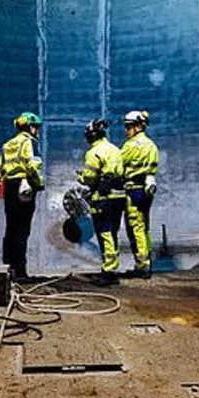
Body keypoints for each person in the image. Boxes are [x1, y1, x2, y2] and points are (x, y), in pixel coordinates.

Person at [76, 119, 126, 285]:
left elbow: (90, 177)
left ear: (91, 135)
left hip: (103, 198)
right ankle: (112, 266)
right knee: (113, 232)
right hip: (119, 197)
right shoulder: (115, 149)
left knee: (104, 233)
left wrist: (81, 177)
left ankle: (108, 271)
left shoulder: (93, 152)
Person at [0, 112, 45, 280]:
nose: (37, 131)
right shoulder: (29, 142)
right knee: (22, 229)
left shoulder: (7, 145)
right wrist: (39, 183)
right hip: (24, 186)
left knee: (11, 227)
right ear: (31, 128)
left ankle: (8, 267)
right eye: (36, 128)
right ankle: (21, 271)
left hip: (9, 186)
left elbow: (0, 170)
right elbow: (33, 165)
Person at [121, 110, 159, 279]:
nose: (126, 130)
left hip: (133, 189)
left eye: (128, 127)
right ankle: (147, 261)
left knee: (135, 227)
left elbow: (118, 166)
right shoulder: (151, 145)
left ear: (137, 127)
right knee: (145, 227)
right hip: (146, 190)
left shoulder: (130, 146)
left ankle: (142, 265)